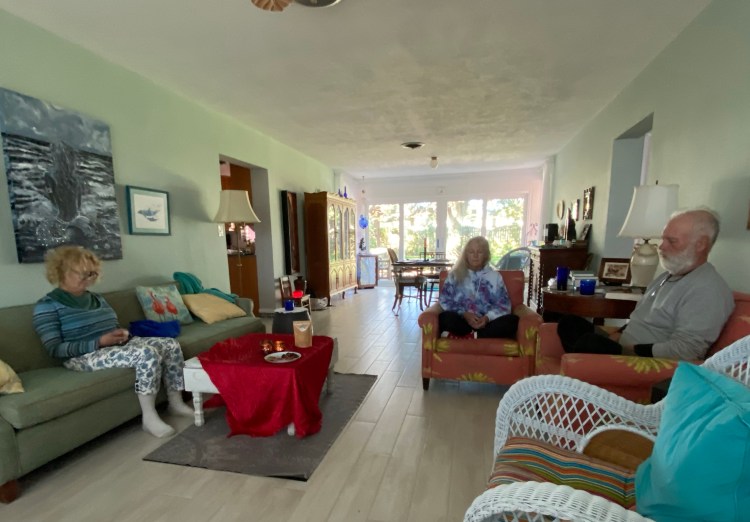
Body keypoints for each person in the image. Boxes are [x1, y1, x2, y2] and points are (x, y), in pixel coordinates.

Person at [32, 246, 194, 438]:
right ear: (61, 271)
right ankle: (149, 417)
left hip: (112, 347)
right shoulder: (47, 306)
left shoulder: (97, 299)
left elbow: (112, 326)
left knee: (169, 344)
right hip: (80, 357)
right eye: (83, 273)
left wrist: (121, 334)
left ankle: (176, 403)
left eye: (92, 273)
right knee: (146, 353)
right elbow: (54, 348)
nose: (89, 278)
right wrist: (99, 342)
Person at [557, 207, 734, 359]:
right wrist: (617, 335)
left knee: (589, 344)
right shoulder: (667, 276)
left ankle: (583, 371)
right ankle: (583, 369)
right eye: (663, 239)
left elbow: (687, 350)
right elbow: (641, 319)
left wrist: (628, 349)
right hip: (627, 345)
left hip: (645, 359)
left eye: (671, 241)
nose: (662, 246)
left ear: (701, 244)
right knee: (569, 323)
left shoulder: (707, 290)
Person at [438, 236, 519, 338]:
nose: (475, 256)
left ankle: (471, 336)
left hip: (487, 323)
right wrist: (464, 314)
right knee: (444, 317)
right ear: (466, 255)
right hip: (462, 320)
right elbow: (444, 300)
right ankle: (476, 336)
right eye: (471, 252)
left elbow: (504, 305)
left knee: (513, 321)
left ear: (486, 255)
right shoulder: (454, 275)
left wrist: (487, 318)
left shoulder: (495, 276)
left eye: (479, 252)